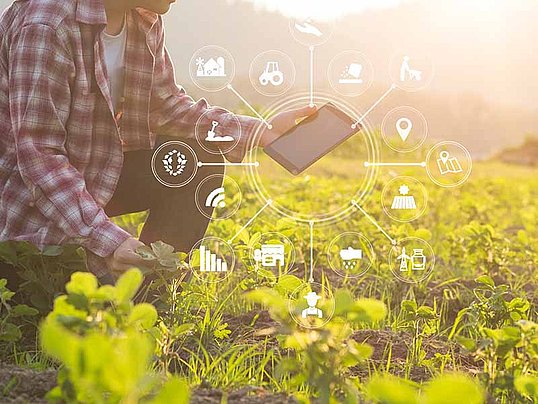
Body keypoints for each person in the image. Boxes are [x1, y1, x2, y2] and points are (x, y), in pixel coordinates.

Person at [0, 0, 315, 288]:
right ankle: (102, 271)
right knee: (41, 295)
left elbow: (164, 105)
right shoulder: (45, 24)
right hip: (25, 204)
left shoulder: (143, 17)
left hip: (91, 179)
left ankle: (149, 289)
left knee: (198, 159)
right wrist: (107, 240)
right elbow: (39, 154)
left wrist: (261, 131)